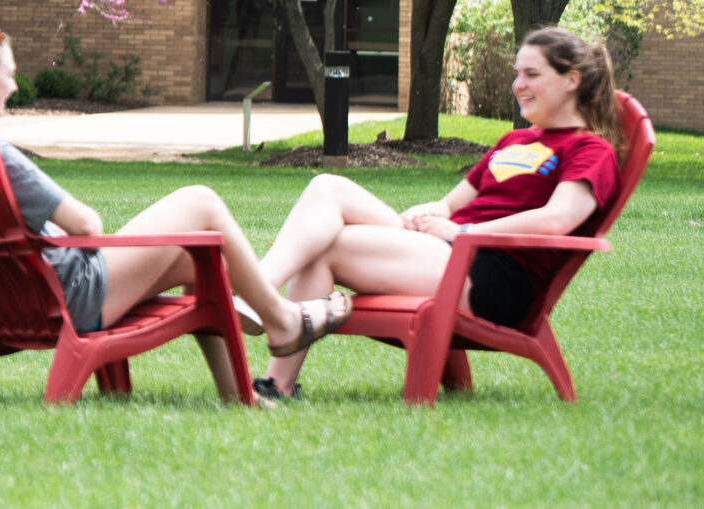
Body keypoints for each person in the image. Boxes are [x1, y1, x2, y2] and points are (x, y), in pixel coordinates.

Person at [0, 23, 350, 397]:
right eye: (9, 74)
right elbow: (86, 225)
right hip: (74, 293)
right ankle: (281, 320)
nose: (14, 84)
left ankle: (238, 395)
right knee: (200, 200)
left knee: (203, 261)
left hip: (18, 297)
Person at [247, 25, 623, 401]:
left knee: (326, 246)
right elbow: (451, 203)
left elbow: (557, 220)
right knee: (328, 186)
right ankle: (264, 320)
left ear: (571, 79)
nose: (518, 84)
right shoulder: (515, 140)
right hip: (449, 252)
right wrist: (429, 213)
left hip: (491, 276)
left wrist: (464, 232)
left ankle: (262, 317)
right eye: (516, 73)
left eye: (532, 74)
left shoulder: (589, 150)